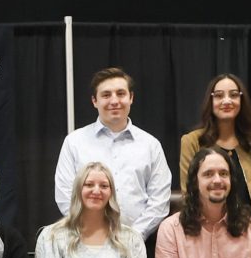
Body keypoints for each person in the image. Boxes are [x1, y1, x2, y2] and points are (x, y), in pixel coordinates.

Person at [52, 67, 174, 243]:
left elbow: (159, 200)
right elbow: (65, 194)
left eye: (120, 93)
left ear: (131, 98)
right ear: (94, 101)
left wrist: (134, 237)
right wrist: (91, 233)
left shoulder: (151, 145)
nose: (114, 100)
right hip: (85, 242)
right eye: (106, 95)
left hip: (138, 245)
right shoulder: (74, 142)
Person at [177, 73, 251, 229]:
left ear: (241, 100)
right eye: (219, 95)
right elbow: (189, 191)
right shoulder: (192, 142)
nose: (227, 101)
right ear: (211, 101)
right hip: (206, 231)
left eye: (234, 95)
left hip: (250, 232)